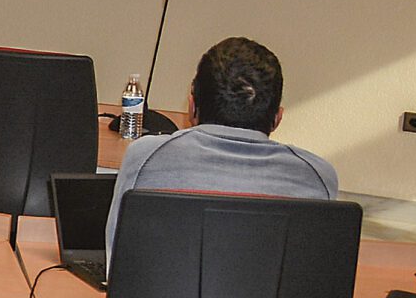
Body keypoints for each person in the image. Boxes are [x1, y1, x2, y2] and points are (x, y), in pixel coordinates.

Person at [106, 36, 338, 254]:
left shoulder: (146, 157)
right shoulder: (318, 175)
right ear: (277, 118)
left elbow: (116, 261)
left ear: (192, 107)